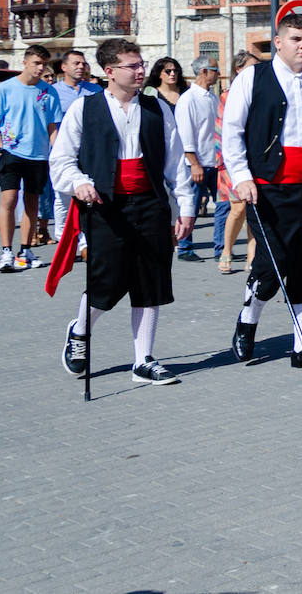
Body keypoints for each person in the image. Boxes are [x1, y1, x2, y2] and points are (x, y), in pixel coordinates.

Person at [47, 38, 196, 386]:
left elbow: (175, 164)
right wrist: (79, 182)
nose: (141, 70)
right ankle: (80, 331)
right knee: (107, 280)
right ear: (110, 71)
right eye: (133, 65)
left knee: (151, 281)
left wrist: (186, 206)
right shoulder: (86, 109)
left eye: (141, 63)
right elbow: (62, 160)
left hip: (150, 204)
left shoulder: (158, 109)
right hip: (105, 205)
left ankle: (143, 360)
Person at [223, 13, 302, 370]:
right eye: (295, 39)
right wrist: (242, 176)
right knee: (272, 263)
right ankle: (248, 321)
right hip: (267, 189)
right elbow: (232, 132)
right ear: (278, 42)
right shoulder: (252, 78)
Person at [0, 45, 64, 272]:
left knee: (32, 204)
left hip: (39, 155)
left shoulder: (49, 92)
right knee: (9, 200)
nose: (40, 68)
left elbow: (52, 126)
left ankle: (25, 250)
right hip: (12, 152)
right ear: (25, 62)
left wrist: (58, 151)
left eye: (44, 64)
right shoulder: (5, 89)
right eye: (36, 63)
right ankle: (6, 251)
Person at [215, 52, 262, 275]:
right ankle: (227, 249)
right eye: (250, 67)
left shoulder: (262, 93)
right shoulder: (228, 95)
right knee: (238, 207)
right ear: (238, 69)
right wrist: (222, 161)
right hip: (232, 160)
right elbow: (222, 130)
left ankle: (252, 256)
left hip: (256, 159)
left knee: (254, 206)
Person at [49, 50, 102, 248]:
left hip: (89, 152)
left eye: (83, 63)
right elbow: (51, 123)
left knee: (88, 194)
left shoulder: (95, 91)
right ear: (64, 67)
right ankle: (63, 237)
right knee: (62, 195)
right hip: (64, 151)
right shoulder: (53, 91)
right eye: (76, 63)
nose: (80, 67)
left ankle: (85, 240)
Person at [173, 55, 221, 263]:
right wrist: (194, 163)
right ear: (203, 71)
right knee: (190, 205)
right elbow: (185, 136)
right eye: (215, 70)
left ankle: (221, 247)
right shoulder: (188, 99)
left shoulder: (213, 98)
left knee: (223, 206)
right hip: (197, 163)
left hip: (215, 161)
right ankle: (184, 246)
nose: (218, 74)